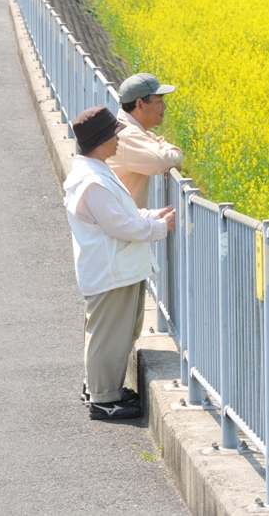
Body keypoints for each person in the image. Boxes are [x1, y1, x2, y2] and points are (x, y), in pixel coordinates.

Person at [64, 105, 176, 421]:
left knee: (117, 333)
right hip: (111, 270)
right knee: (108, 336)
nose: (119, 140)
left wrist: (152, 215)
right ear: (100, 140)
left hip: (114, 268)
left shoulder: (95, 171)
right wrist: (158, 228)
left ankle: (103, 388)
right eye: (115, 134)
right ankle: (103, 400)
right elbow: (119, 225)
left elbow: (121, 215)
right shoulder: (94, 182)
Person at [107, 73, 183, 210]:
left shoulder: (126, 129)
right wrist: (176, 155)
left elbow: (156, 141)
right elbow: (162, 160)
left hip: (116, 223)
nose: (164, 106)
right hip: (117, 227)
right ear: (140, 104)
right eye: (159, 100)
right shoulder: (128, 136)